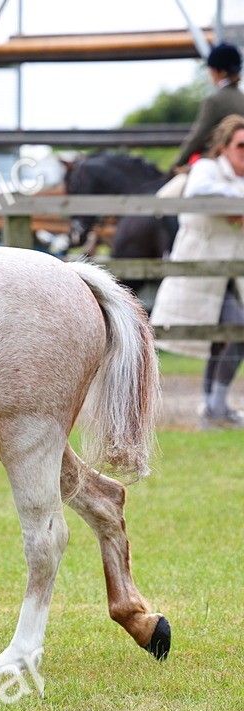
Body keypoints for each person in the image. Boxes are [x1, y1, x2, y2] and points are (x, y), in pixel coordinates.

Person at [151, 114, 244, 428]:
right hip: (201, 268)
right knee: (234, 330)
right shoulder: (206, 168)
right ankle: (215, 408)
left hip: (234, 272)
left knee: (225, 336)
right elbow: (201, 193)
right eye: (241, 145)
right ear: (224, 147)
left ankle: (212, 408)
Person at [171, 42, 244, 172]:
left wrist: (178, 163)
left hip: (219, 165)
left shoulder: (215, 101)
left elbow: (197, 137)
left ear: (217, 71)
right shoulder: (241, 98)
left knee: (167, 192)